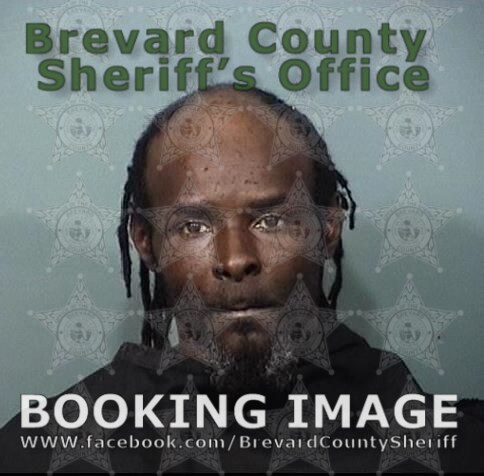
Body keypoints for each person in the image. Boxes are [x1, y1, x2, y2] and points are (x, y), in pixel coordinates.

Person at [1, 84, 483, 474]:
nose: (235, 259)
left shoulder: (454, 447)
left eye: (271, 220)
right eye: (194, 226)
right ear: (145, 242)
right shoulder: (43, 453)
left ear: (327, 228)